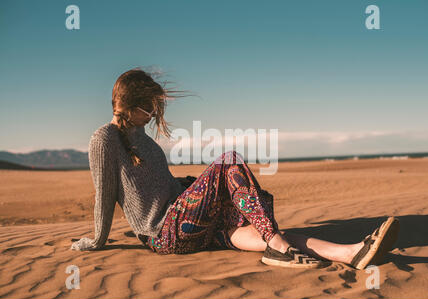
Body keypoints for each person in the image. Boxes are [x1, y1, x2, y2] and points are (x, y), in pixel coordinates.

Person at [71, 68, 400, 269]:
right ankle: (277, 246)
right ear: (135, 104)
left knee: (263, 224)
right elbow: (105, 195)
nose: (155, 112)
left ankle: (350, 253)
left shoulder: (143, 139)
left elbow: (162, 187)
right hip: (163, 234)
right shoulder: (104, 139)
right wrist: (97, 241)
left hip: (187, 225)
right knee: (228, 161)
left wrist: (192, 185)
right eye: (152, 106)